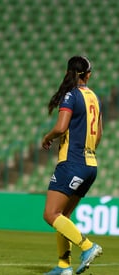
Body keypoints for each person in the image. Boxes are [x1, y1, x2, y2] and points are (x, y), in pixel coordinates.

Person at [42, 56, 103, 275]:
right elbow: (99, 135)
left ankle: (88, 246)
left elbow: (60, 127)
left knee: (50, 214)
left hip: (72, 162)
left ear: (69, 73)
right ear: (88, 75)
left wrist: (47, 137)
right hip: (90, 164)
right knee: (62, 217)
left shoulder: (71, 95)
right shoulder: (94, 98)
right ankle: (64, 266)